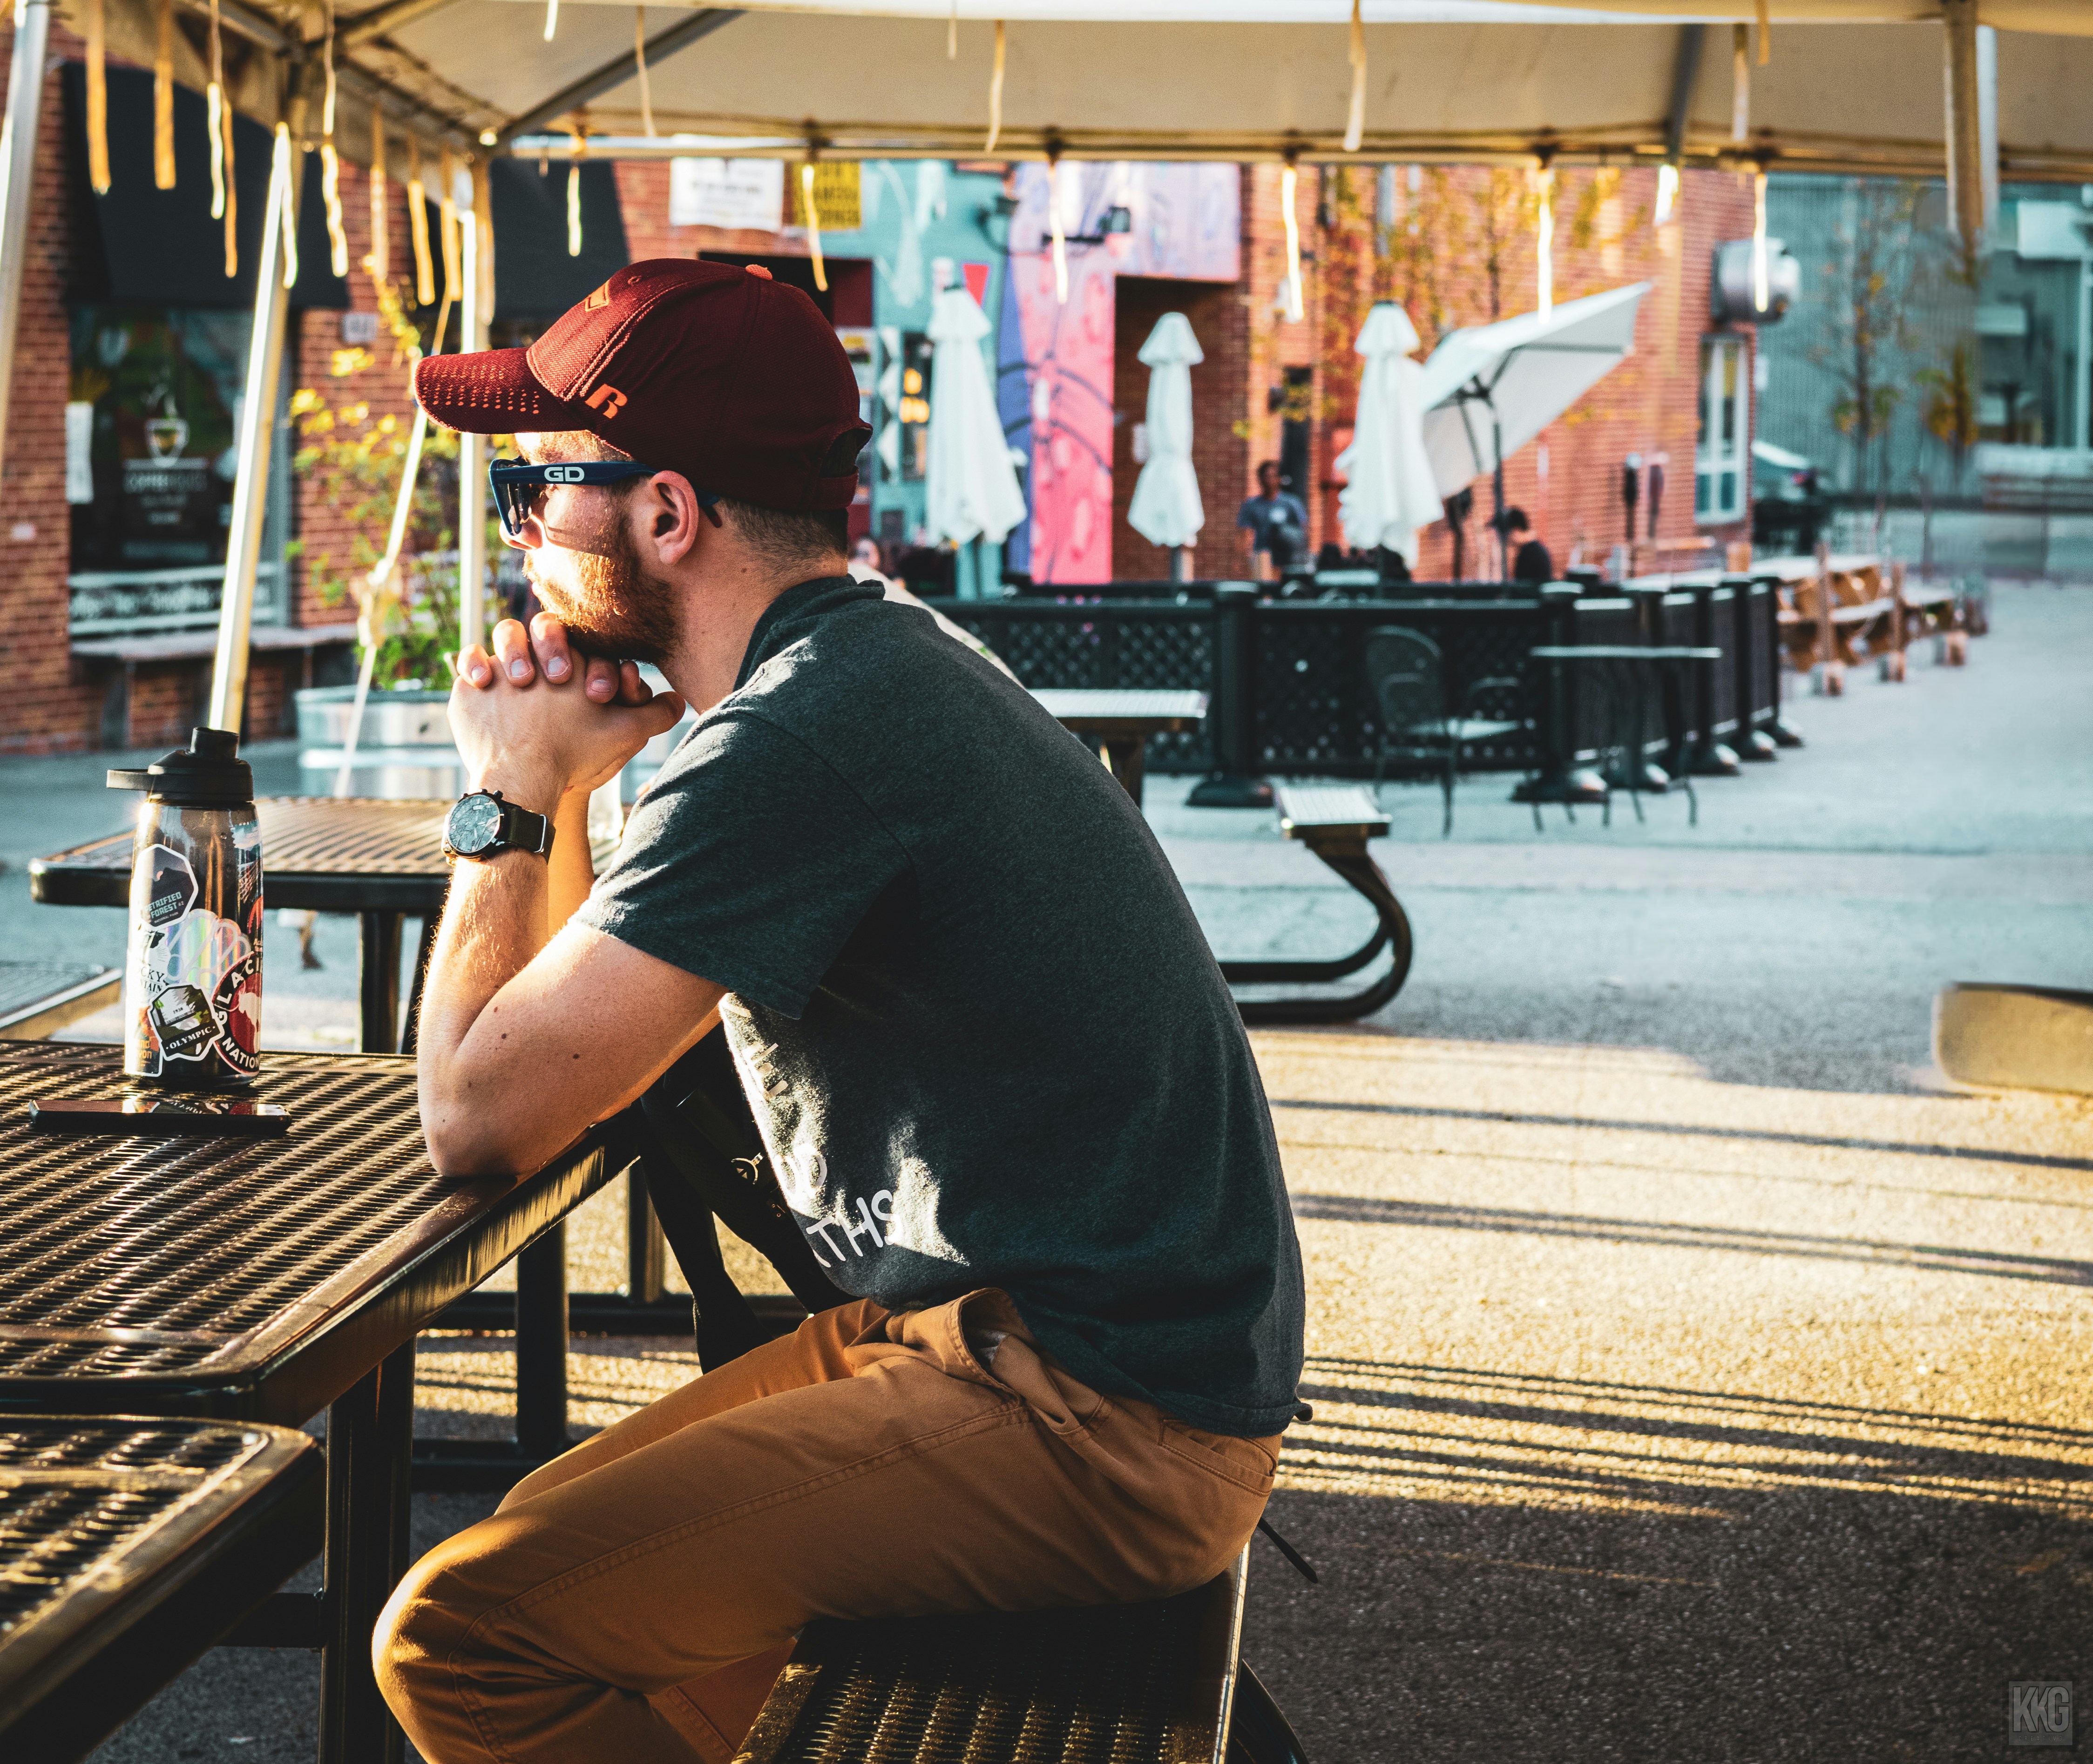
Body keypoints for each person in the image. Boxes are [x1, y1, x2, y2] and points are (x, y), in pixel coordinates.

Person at [374, 258, 1306, 1764]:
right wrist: (576, 781)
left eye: (538, 487)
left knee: (464, 1631)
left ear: (668, 513)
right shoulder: (861, 660)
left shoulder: (798, 740)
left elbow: (483, 1115)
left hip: (1095, 1413)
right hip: (1007, 1328)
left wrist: (510, 783)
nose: (523, 532)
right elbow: (552, 1047)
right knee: (549, 1525)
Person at [1236, 461, 1307, 581]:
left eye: (1273, 476)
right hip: (1263, 555)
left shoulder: (1291, 503)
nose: (1270, 481)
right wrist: (1240, 559)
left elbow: (1302, 529)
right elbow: (1245, 533)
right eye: (1266, 477)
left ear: (1279, 479)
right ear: (1260, 479)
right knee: (1265, 591)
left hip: (1286, 558)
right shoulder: (1252, 505)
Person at [1504, 507, 1556, 584]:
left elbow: (1520, 586)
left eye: (1507, 534)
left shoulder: (1528, 553)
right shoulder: (1536, 548)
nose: (1507, 539)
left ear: (1516, 530)